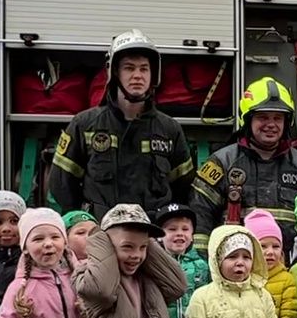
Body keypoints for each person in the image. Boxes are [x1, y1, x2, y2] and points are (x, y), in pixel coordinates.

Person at [47, 29, 195, 218]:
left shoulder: (169, 129)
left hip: (152, 233)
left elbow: (184, 190)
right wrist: (82, 223)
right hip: (101, 233)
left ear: (153, 73)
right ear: (114, 72)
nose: (137, 76)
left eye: (144, 68)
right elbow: (61, 186)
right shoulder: (84, 124)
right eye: (129, 68)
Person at [192, 76, 297, 241]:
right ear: (247, 120)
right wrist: (204, 263)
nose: (271, 124)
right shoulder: (222, 163)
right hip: (237, 262)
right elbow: (201, 214)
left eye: (277, 118)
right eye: (263, 117)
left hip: (289, 264)